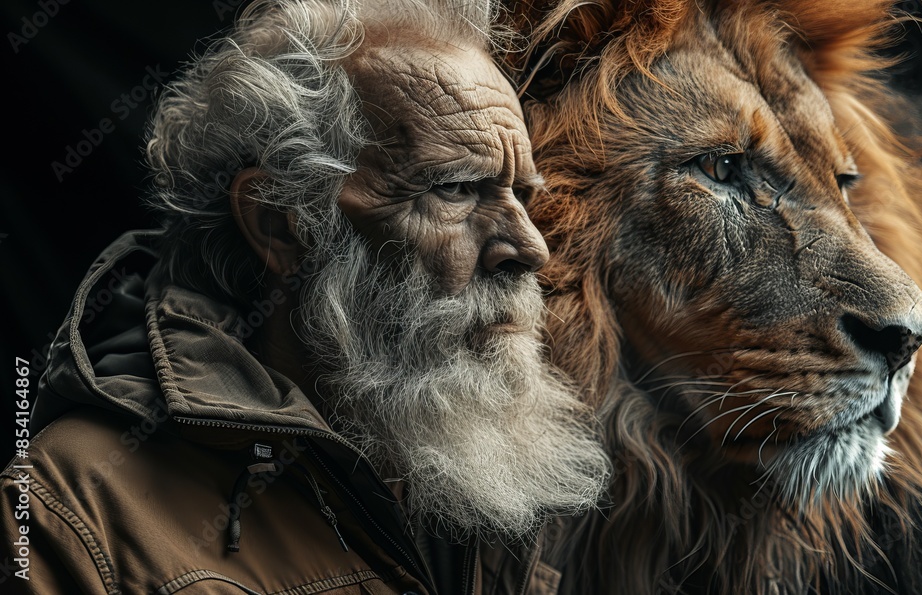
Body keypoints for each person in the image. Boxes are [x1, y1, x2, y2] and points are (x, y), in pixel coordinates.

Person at [0, 0, 611, 592]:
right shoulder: (76, 513)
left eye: (520, 196)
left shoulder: (534, 470)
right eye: (453, 189)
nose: (531, 248)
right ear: (280, 222)